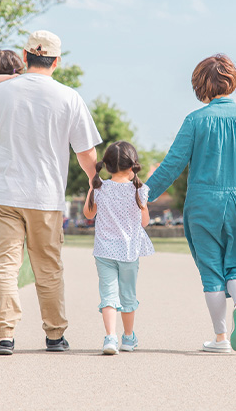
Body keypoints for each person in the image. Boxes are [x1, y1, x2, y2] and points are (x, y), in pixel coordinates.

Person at [0, 30, 102, 355]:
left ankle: (4, 336)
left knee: (4, 266)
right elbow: (86, 151)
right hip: (46, 196)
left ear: (25, 57)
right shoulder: (69, 97)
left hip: (2, 194)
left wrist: (3, 142)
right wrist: (93, 181)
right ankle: (55, 335)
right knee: (48, 267)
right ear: (57, 61)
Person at [145, 54, 236, 353]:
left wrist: (142, 195)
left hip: (204, 204)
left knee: (211, 269)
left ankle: (220, 338)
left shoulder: (195, 120)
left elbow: (171, 165)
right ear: (232, 81)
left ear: (200, 84)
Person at [82, 141, 154, 355]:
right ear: (133, 166)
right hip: (129, 253)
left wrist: (91, 186)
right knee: (128, 295)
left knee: (108, 295)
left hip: (104, 251)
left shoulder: (100, 188)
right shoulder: (139, 190)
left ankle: (110, 337)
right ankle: (129, 338)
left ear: (107, 166)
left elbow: (88, 214)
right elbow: (145, 222)